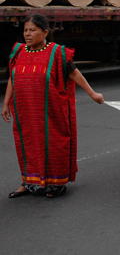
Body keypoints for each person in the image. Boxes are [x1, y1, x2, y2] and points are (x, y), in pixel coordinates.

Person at [2, 14, 104, 199]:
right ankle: (28, 181)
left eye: (32, 30)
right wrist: (6, 103)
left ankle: (57, 183)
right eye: (25, 30)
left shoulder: (57, 53)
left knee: (54, 143)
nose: (28, 34)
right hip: (25, 111)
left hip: (51, 111)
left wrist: (92, 93)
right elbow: (12, 77)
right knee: (27, 144)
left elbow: (73, 74)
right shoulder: (19, 51)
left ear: (45, 32)